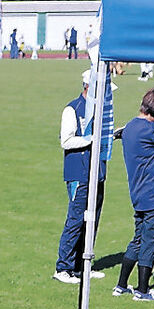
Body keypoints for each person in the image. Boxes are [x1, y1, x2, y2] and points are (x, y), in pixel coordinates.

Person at [54, 70, 108, 285]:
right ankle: (63, 267)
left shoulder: (102, 111)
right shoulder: (72, 109)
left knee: (92, 220)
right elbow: (66, 141)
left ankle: (82, 265)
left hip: (97, 173)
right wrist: (90, 139)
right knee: (75, 220)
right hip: (79, 173)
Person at [113, 88, 154, 301]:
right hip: (153, 195)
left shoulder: (131, 126)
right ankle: (142, 290)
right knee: (150, 241)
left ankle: (122, 284)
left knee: (138, 239)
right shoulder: (150, 131)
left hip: (138, 193)